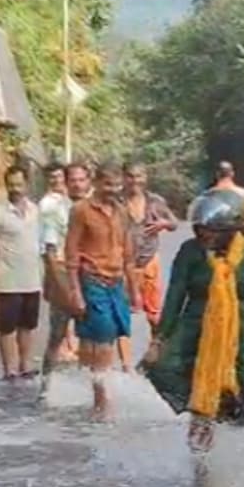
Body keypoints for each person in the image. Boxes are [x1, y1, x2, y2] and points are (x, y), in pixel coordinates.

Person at [141, 189, 244, 453]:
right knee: (200, 401)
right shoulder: (190, 252)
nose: (202, 234)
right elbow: (174, 297)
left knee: (241, 399)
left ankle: (237, 459)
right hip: (195, 337)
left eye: (210, 229)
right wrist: (159, 340)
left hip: (242, 340)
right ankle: (201, 467)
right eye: (199, 228)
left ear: (229, 228)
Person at [65, 163, 142, 420]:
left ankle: (91, 384)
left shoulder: (122, 212)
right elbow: (72, 254)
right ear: (96, 183)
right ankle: (101, 398)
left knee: (102, 337)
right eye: (108, 184)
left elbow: (129, 256)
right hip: (92, 280)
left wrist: (135, 291)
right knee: (104, 335)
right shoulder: (81, 211)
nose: (114, 190)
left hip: (116, 281)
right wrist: (75, 292)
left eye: (117, 185)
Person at [0, 165, 43, 382]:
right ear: (6, 185)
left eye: (19, 184)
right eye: (11, 184)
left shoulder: (36, 211)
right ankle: (10, 370)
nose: (15, 188)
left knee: (27, 326)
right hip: (8, 280)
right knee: (7, 328)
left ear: (27, 185)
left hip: (32, 280)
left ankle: (25, 365)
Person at [39, 162, 90, 393]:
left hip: (90, 278)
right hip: (62, 275)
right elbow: (49, 252)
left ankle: (91, 391)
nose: (78, 185)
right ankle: (46, 389)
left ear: (88, 182)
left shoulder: (95, 208)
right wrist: (61, 287)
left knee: (93, 338)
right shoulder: (54, 209)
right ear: (65, 183)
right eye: (73, 181)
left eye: (82, 180)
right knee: (57, 336)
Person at [124, 162, 179, 331]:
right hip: (121, 264)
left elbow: (174, 223)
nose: (135, 181)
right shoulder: (116, 201)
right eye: (130, 176)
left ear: (145, 178)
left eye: (139, 176)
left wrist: (163, 223)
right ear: (124, 178)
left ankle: (156, 352)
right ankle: (122, 357)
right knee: (121, 314)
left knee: (154, 314)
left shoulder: (154, 201)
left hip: (149, 261)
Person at [211, 161, 244, 227]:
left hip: (217, 230)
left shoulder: (211, 193)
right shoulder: (242, 193)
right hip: (236, 230)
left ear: (217, 174)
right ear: (232, 174)